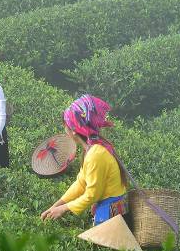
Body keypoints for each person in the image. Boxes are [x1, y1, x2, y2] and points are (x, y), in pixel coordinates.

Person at [41, 95, 128, 225]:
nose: (65, 130)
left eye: (66, 126)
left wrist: (64, 209)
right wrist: (56, 205)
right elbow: (81, 182)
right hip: (107, 207)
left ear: (74, 131)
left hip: (111, 212)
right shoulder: (91, 148)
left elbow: (93, 194)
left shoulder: (96, 154)